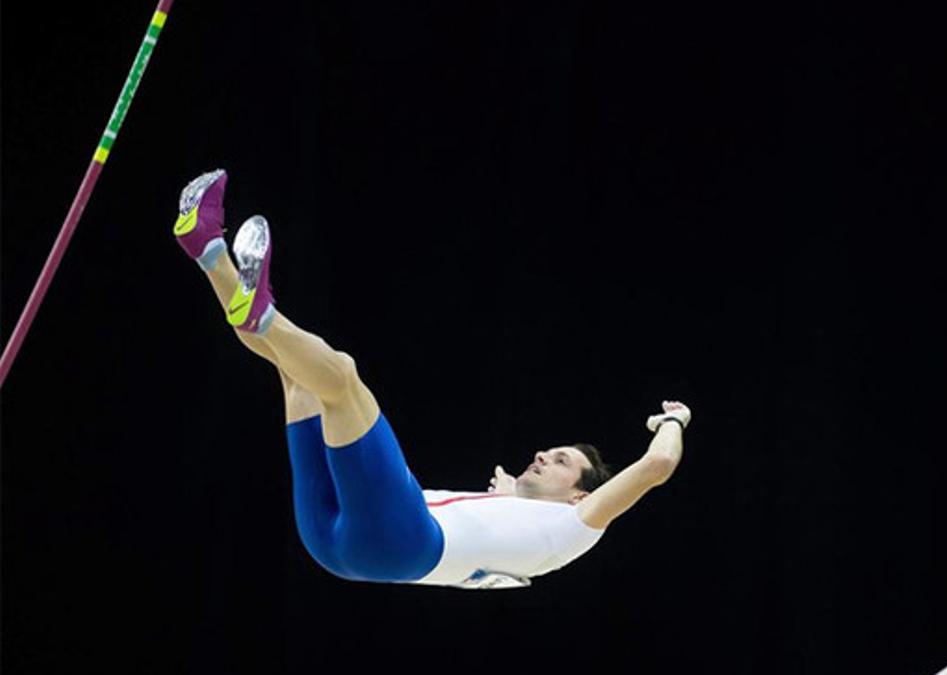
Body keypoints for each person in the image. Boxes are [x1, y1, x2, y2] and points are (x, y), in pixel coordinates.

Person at [173, 169, 691, 589]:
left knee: (344, 377)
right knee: (299, 378)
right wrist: (511, 494)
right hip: (338, 547)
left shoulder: (582, 522)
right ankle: (207, 249)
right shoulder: (529, 519)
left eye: (560, 462)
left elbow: (660, 463)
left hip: (400, 541)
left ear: (580, 495)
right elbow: (506, 534)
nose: (543, 455)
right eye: (550, 451)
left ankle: (261, 314)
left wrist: (673, 418)